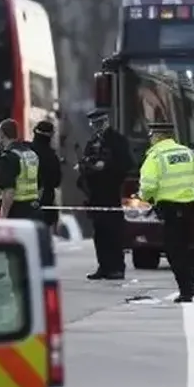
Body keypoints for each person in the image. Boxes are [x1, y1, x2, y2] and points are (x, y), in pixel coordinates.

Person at [136, 122, 194, 302]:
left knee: (174, 250)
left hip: (171, 208)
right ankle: (190, 278)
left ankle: (186, 289)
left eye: (151, 136)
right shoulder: (187, 152)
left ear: (157, 136)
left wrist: (143, 196)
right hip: (190, 206)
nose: (150, 140)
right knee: (185, 247)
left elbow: (148, 185)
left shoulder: (156, 156)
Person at [79, 109, 132, 280]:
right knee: (99, 233)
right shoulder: (92, 142)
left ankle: (117, 267)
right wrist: (86, 168)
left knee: (113, 232)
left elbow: (127, 164)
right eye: (93, 124)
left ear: (106, 122)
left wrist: (107, 167)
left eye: (99, 124)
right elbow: (86, 162)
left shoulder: (117, 141)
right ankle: (104, 266)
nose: (96, 128)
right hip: (95, 193)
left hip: (111, 192)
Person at [0, 118, 42, 220]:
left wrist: (3, 216)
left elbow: (9, 190)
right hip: (33, 209)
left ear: (1, 134)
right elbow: (39, 183)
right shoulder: (31, 154)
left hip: (16, 211)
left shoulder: (8, 157)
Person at [31, 120, 62, 230]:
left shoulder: (26, 151)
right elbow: (57, 182)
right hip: (46, 206)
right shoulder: (52, 157)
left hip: (24, 207)